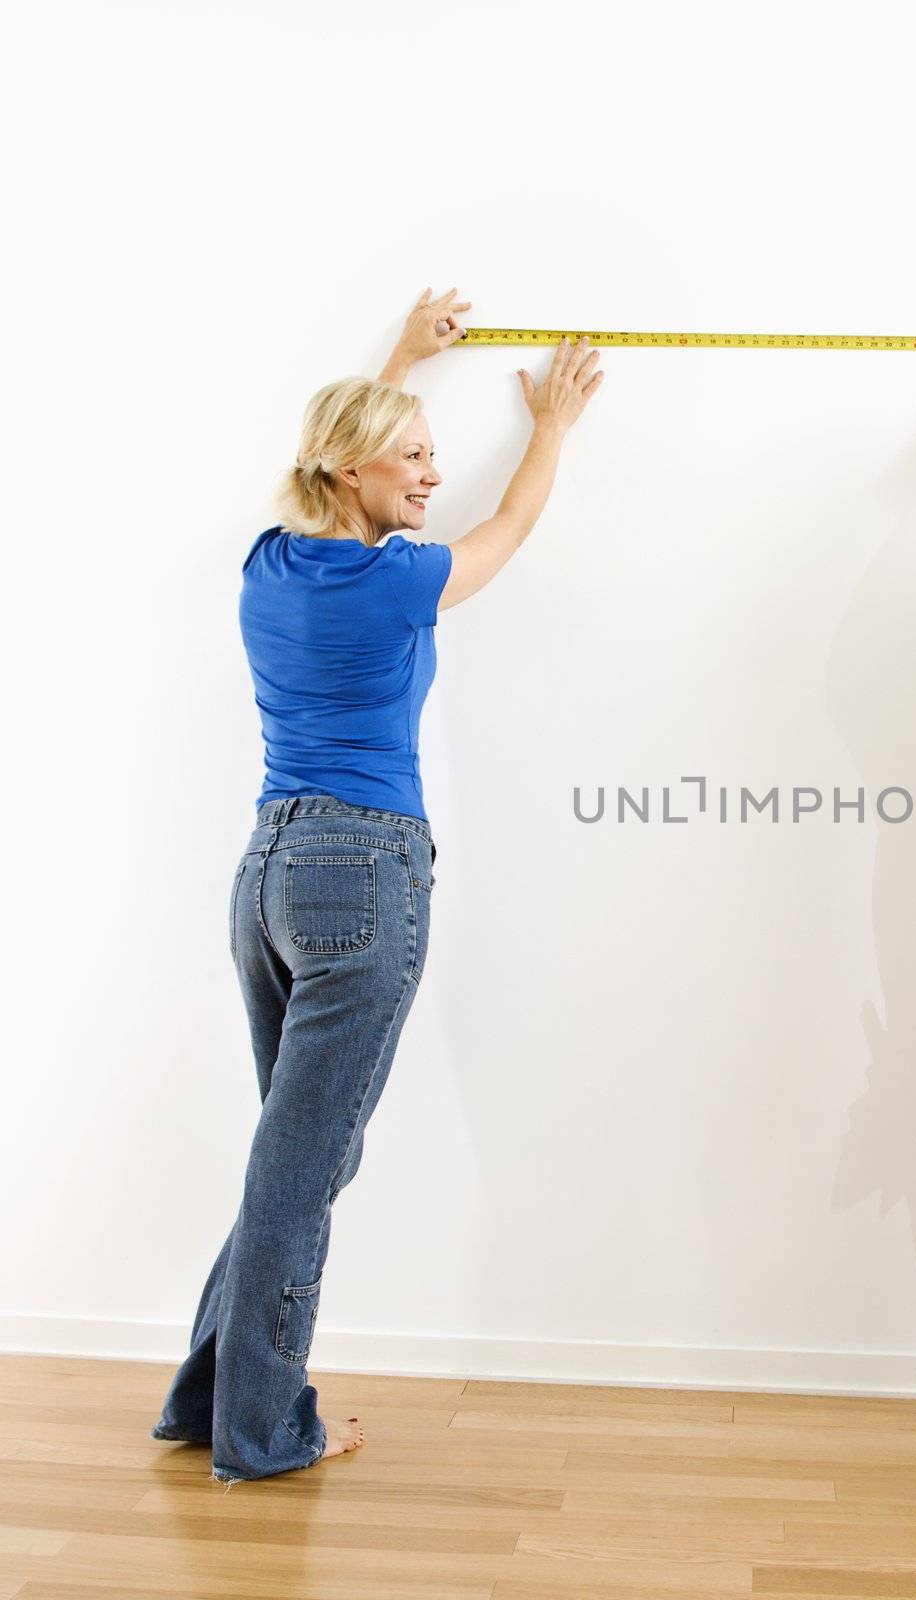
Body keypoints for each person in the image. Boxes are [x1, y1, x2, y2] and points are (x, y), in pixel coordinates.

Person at [152, 290, 604, 1482]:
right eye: (411, 456)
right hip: (360, 871)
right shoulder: (395, 580)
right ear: (350, 467)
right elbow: (507, 527)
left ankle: (207, 1397)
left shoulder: (269, 560)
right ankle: (261, 1430)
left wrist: (404, 363)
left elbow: (335, 453)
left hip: (266, 875)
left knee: (291, 1158)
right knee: (304, 1167)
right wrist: (551, 424)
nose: (430, 472)